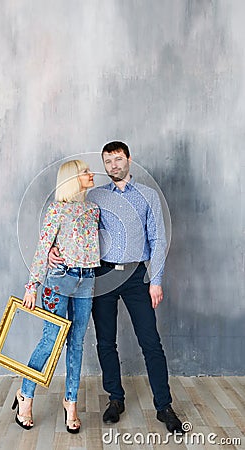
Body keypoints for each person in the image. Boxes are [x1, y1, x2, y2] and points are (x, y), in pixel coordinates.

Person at [49, 142, 185, 434]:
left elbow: (158, 241)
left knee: (150, 342)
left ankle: (164, 406)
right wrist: (51, 250)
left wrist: (156, 281)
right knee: (105, 341)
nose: (113, 165)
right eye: (107, 161)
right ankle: (115, 399)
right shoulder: (94, 196)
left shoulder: (148, 196)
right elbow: (67, 221)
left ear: (128, 160)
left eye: (118, 159)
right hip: (102, 275)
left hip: (137, 276)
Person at [12, 159, 100, 433]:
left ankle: (70, 402)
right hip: (59, 280)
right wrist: (32, 285)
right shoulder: (56, 210)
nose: (90, 174)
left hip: (87, 281)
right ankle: (25, 395)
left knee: (76, 343)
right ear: (72, 178)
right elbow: (43, 248)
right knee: (50, 340)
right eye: (85, 172)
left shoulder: (93, 210)